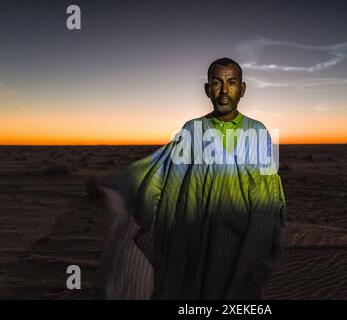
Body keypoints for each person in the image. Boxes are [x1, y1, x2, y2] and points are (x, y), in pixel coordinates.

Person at [95, 57, 286, 300]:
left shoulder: (258, 132)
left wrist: (255, 248)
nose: (224, 90)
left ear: (243, 89)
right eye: (217, 83)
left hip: (236, 242)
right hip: (193, 241)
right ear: (208, 90)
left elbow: (267, 196)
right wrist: (125, 186)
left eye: (232, 82)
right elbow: (162, 169)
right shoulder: (191, 129)